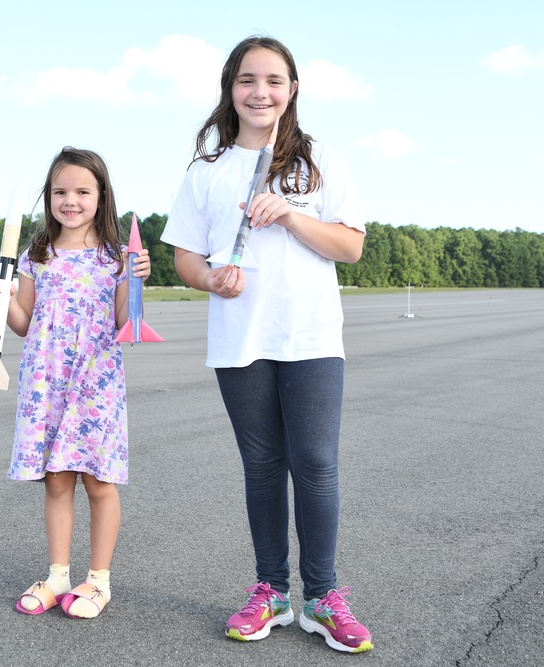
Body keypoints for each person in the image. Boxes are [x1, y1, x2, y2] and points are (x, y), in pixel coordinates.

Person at [160, 37, 373, 653]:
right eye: (248, 80)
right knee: (261, 466)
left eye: (274, 80)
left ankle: (323, 598)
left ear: (293, 89)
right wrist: (210, 279)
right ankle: (271, 591)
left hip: (309, 336)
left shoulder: (320, 159)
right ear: (231, 88)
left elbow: (350, 246)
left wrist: (290, 215)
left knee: (316, 463)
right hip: (240, 338)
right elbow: (184, 257)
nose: (261, 92)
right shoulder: (206, 169)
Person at [0, 147, 150, 619]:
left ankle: (98, 580)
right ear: (48, 197)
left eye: (82, 191)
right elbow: (23, 323)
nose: (70, 200)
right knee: (56, 480)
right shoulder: (36, 255)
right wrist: (4, 297)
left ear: (102, 196)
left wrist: (137, 284)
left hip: (95, 385)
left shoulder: (118, 258)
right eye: (60, 192)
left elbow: (126, 324)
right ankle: (58, 574)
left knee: (98, 480)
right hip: (46, 381)